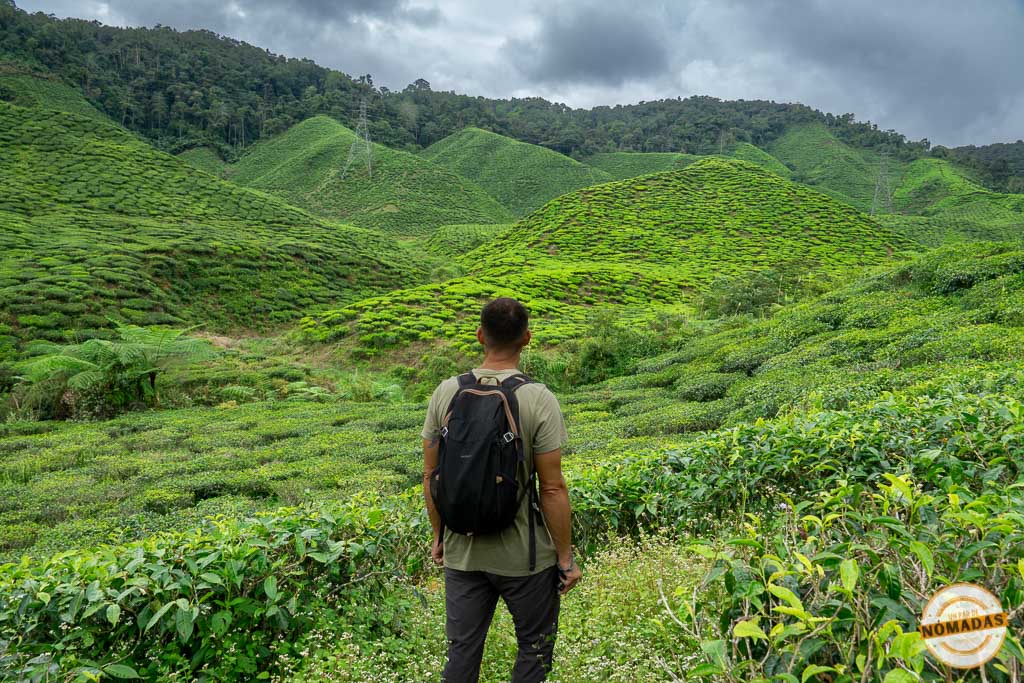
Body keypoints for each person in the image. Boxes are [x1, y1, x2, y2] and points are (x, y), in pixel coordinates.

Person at [422, 297, 582, 683]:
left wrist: (439, 535)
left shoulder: (446, 391)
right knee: (535, 646)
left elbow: (431, 476)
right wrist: (565, 557)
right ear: (526, 338)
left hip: (463, 551)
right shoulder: (538, 397)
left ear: (480, 336)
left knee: (462, 652)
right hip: (525, 558)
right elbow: (553, 487)